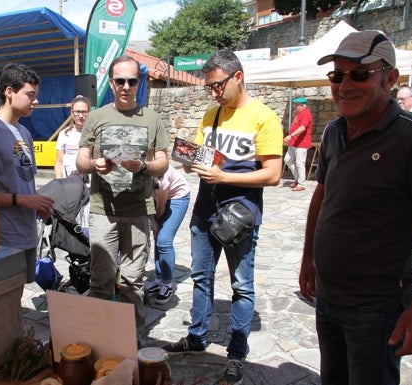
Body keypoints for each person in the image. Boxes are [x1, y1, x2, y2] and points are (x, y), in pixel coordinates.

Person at [298, 30, 412, 385]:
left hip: (376, 309)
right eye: (337, 75)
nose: (345, 85)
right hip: (329, 300)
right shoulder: (334, 131)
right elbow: (322, 197)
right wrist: (308, 258)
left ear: (389, 78)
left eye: (359, 74)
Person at [162, 49, 283, 385]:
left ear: (238, 77)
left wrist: (225, 177)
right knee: (202, 277)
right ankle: (197, 336)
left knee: (241, 286)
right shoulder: (211, 115)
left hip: (240, 213)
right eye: (209, 88)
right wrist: (191, 162)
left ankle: (236, 353)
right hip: (205, 207)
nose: (213, 92)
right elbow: (205, 158)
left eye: (217, 86)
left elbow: (273, 174)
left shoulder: (264, 117)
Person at [76, 55, 170, 331]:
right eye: (120, 81)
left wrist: (142, 166)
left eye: (132, 81)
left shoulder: (152, 119)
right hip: (102, 211)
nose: (126, 86)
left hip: (139, 210)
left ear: (138, 82)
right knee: (101, 280)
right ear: (111, 82)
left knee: (132, 282)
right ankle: (99, 338)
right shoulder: (96, 116)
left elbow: (164, 163)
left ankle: (130, 341)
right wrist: (95, 164)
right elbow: (81, 161)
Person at [0, 63, 55, 282]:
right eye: (30, 95)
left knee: (17, 296)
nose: (36, 101)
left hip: (26, 234)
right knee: (3, 298)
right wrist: (23, 200)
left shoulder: (24, 132)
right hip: (2, 238)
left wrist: (37, 204)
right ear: (9, 91)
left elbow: (25, 182)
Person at [145, 164, 190, 305]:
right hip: (156, 199)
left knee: (164, 239)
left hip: (177, 197)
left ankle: (167, 284)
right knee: (158, 237)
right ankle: (159, 280)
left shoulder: (160, 178)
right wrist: (152, 222)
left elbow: (160, 207)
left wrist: (156, 222)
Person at [54, 95, 91, 179]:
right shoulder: (64, 134)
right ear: (72, 112)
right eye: (77, 112)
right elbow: (59, 161)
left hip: (88, 181)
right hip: (68, 180)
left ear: (89, 112)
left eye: (84, 112)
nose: (80, 116)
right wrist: (59, 181)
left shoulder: (94, 133)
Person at [283, 97, 313, 191]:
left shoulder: (306, 114)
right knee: (288, 159)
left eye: (296, 104)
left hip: (301, 142)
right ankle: (297, 179)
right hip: (294, 142)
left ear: (302, 105)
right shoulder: (299, 113)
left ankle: (301, 183)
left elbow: (303, 128)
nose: (295, 106)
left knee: (300, 163)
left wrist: (291, 136)